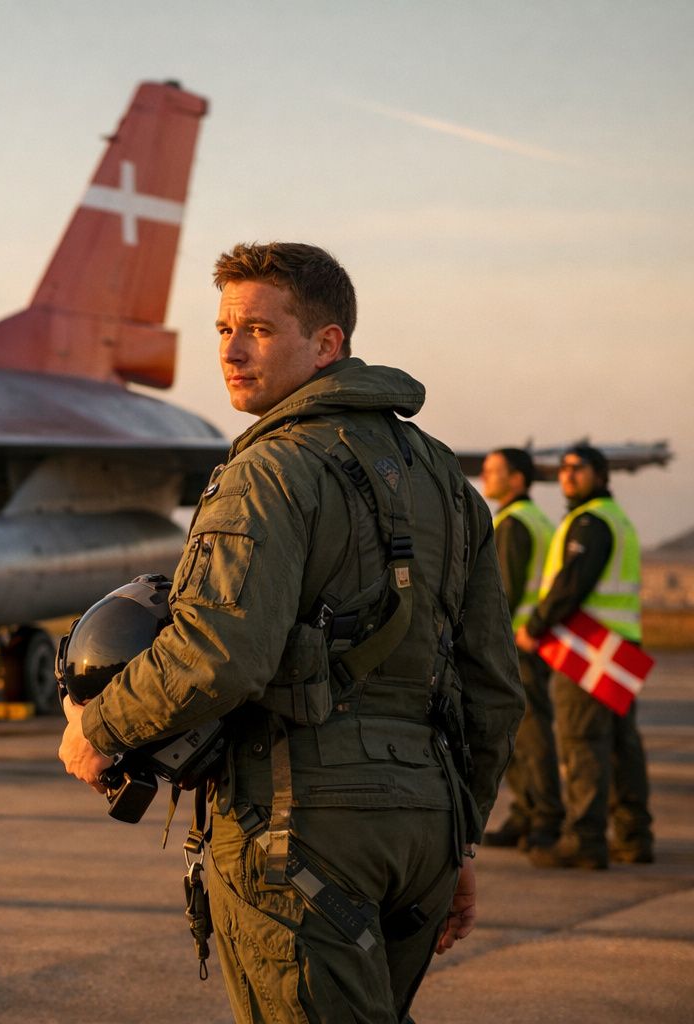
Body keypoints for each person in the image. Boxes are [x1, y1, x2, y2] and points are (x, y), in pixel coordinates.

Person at [58, 242, 523, 1023]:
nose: (231, 351)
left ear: (327, 343)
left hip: (299, 825)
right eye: (222, 328)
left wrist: (99, 727)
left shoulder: (271, 470)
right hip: (422, 831)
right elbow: (494, 689)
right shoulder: (447, 479)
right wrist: (458, 837)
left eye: (260, 330)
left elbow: (219, 654)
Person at [516, 443, 654, 868]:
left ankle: (586, 841)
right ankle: (634, 837)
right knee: (620, 744)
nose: (567, 475)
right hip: (621, 645)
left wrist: (535, 627)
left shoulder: (589, 522)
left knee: (582, 742)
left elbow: (569, 585)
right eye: (563, 468)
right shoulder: (619, 520)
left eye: (578, 468)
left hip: (589, 645)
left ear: (601, 474)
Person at [478, 448, 563, 851]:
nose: (485, 477)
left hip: (514, 645)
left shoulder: (513, 524)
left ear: (517, 479)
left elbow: (501, 593)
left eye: (494, 471)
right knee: (523, 735)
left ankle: (543, 816)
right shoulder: (536, 519)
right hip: (526, 642)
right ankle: (526, 813)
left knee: (529, 737)